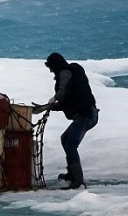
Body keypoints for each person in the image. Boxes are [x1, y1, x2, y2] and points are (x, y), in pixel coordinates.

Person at [33, 52, 99, 189]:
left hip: (86, 115)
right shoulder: (69, 76)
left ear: (56, 65)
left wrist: (54, 98)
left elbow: (62, 93)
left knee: (71, 145)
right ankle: (71, 173)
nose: (50, 70)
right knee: (65, 139)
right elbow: (66, 102)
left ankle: (77, 180)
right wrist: (46, 107)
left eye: (51, 67)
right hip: (85, 115)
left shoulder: (65, 74)